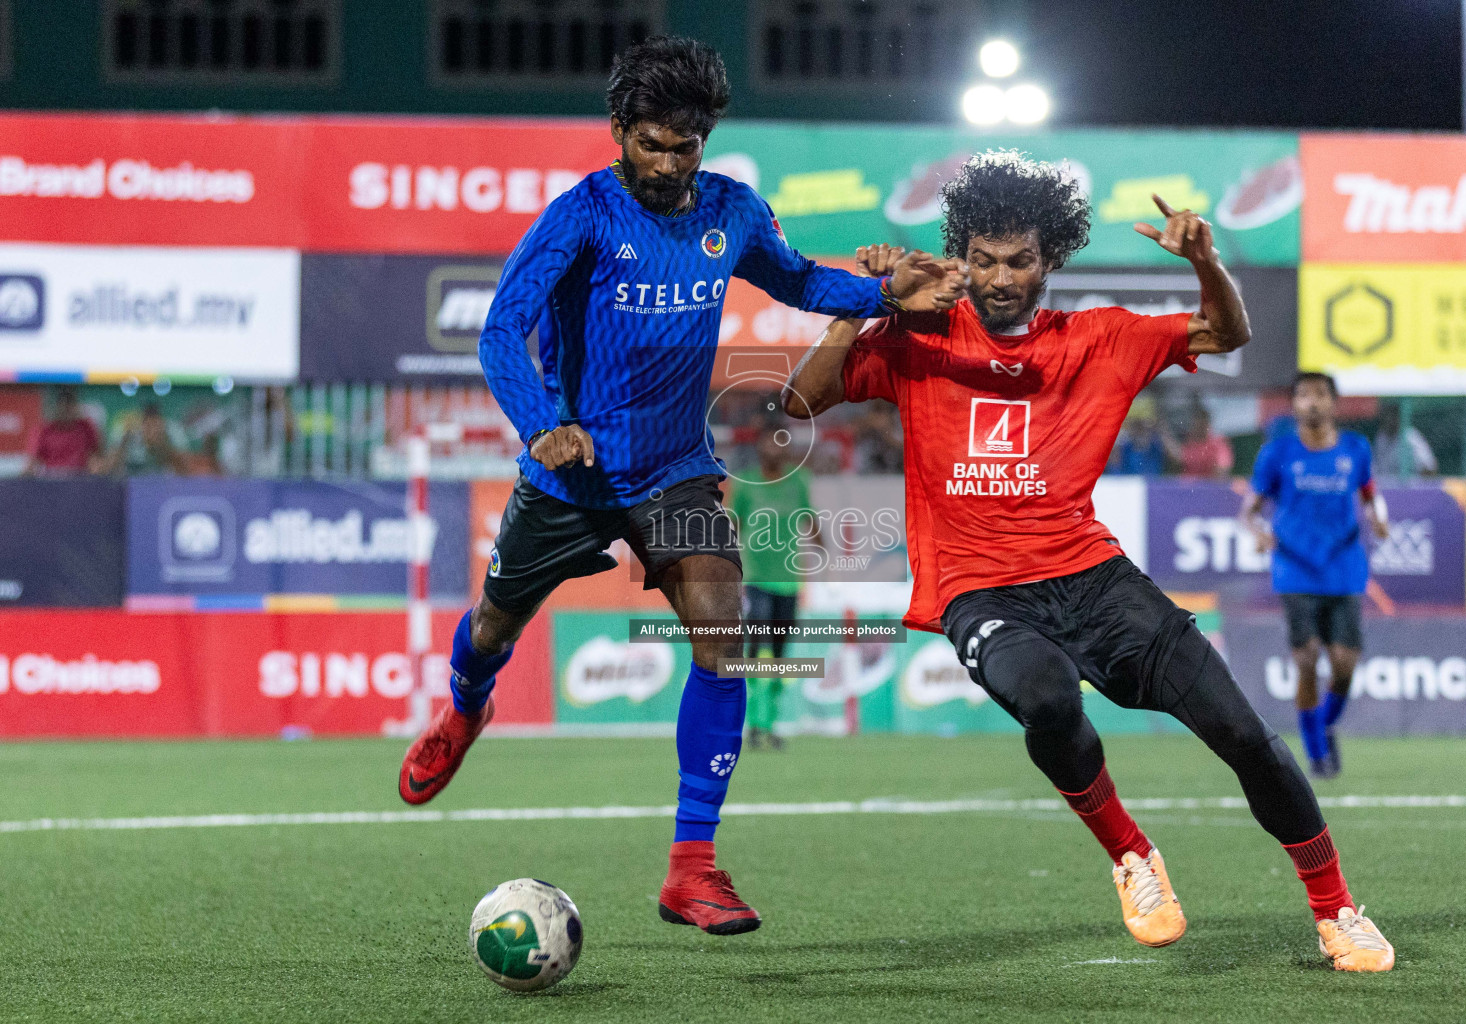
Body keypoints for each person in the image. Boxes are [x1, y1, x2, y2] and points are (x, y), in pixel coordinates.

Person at [396, 36, 964, 937]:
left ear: (705, 140)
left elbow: (796, 279)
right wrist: (544, 418)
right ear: (619, 132)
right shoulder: (579, 215)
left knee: (724, 633)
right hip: (570, 471)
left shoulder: (732, 209)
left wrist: (884, 295)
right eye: (651, 144)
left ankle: (691, 869)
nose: (666, 163)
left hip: (674, 470)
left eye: (684, 146)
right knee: (495, 625)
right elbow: (503, 330)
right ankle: (465, 709)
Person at [783, 151, 1394, 971]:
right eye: (988, 260)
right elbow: (800, 400)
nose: (1003, 278)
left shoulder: (1101, 338)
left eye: (1022, 260)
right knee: (1046, 695)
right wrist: (863, 306)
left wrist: (1206, 261)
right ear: (962, 256)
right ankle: (1132, 854)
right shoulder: (917, 339)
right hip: (979, 589)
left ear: (1050, 260)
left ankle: (1337, 910)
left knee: (1243, 734)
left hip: (1094, 578)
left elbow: (1227, 333)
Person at [1240, 374, 1389, 781]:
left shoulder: (1356, 449)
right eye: (1303, 395)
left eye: (1320, 395)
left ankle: (1324, 722)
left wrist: (1379, 518)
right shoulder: (1277, 453)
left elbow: (1371, 494)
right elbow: (1249, 511)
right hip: (1295, 566)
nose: (1312, 403)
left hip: (1343, 567)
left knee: (1344, 665)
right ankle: (1316, 751)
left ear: (1334, 403)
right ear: (1293, 406)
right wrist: (1259, 534)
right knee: (1306, 660)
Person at [729, 430, 820, 750]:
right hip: (756, 580)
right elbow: (733, 526)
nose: (773, 448)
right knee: (757, 651)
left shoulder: (798, 481)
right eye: (768, 442)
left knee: (780, 656)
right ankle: (755, 723)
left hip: (789, 581)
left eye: (779, 443)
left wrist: (824, 546)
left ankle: (773, 723)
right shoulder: (746, 483)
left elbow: (809, 518)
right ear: (759, 449)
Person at [24, 386, 100, 476]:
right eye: (62, 405)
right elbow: (32, 462)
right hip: (51, 479)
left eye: (69, 405)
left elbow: (95, 456)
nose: (65, 410)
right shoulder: (42, 430)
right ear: (55, 407)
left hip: (79, 478)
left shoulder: (86, 428)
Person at [99, 403, 190, 476]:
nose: (151, 430)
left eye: (155, 425)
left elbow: (185, 468)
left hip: (164, 486)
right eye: (148, 425)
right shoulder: (129, 432)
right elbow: (109, 468)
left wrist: (161, 445)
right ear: (141, 424)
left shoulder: (172, 432)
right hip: (131, 486)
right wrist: (124, 442)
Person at [1373, 404, 1437, 478]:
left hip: (1409, 487)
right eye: (1387, 416)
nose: (1389, 420)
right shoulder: (1381, 437)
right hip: (1384, 486)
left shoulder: (1410, 436)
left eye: (1393, 416)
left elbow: (1430, 468)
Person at [1177, 404, 1234, 479]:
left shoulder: (1218, 442)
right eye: (1197, 422)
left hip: (1210, 487)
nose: (1199, 426)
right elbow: (1179, 458)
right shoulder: (1188, 442)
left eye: (1202, 422)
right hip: (1187, 487)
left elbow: (1223, 467)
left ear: (1207, 423)